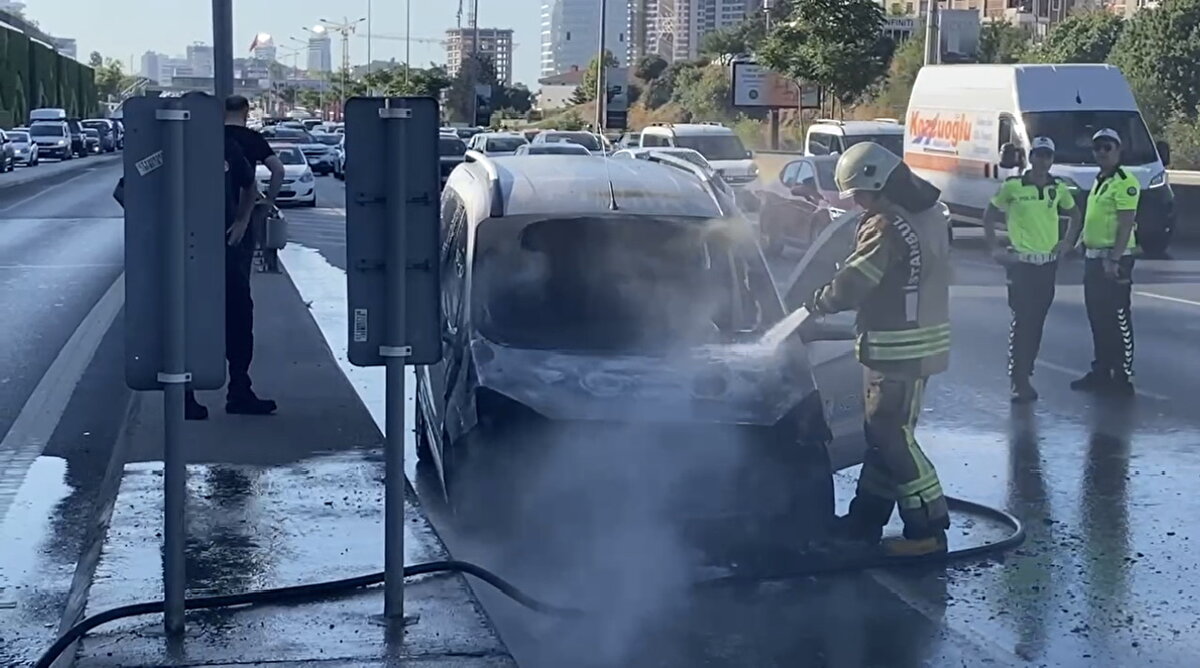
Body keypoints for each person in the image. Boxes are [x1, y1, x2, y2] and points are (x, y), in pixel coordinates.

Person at [806, 141, 952, 557]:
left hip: (896, 348)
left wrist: (818, 302)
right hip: (916, 343)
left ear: (877, 183)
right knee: (883, 436)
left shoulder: (886, 225)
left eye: (858, 194)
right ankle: (865, 520)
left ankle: (926, 526)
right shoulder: (926, 215)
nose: (855, 204)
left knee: (891, 435)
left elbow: (857, 279)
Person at [183, 92, 277, 419]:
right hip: (184, 253)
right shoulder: (168, 144)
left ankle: (239, 389)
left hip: (223, 249)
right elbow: (130, 191)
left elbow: (250, 186)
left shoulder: (223, 145)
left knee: (238, 316)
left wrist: (241, 221)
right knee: (189, 322)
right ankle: (186, 394)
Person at [983, 137, 1082, 403]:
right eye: (1038, 155)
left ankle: (1027, 371)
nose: (1043, 161)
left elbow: (1075, 215)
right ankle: (1018, 378)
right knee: (1023, 319)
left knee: (1037, 322)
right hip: (1021, 265)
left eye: (1048, 156)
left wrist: (1068, 242)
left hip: (1047, 265)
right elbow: (989, 214)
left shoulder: (1057, 188)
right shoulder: (1014, 186)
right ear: (1031, 157)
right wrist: (995, 247)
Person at [1070, 128, 1139, 396]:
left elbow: (1125, 223)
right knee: (1097, 316)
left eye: (1107, 147)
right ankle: (1102, 369)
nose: (1101, 152)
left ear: (1118, 150)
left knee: (1119, 315)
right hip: (1094, 258)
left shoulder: (1125, 181)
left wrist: (1115, 258)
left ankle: (1122, 373)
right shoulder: (1101, 180)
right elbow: (1096, 217)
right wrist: (1082, 242)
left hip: (1115, 259)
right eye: (1097, 148)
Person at [225, 95, 285, 272]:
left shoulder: (214, 137)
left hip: (214, 209)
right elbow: (278, 170)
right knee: (240, 271)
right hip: (244, 211)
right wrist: (269, 201)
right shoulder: (253, 138)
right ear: (246, 111)